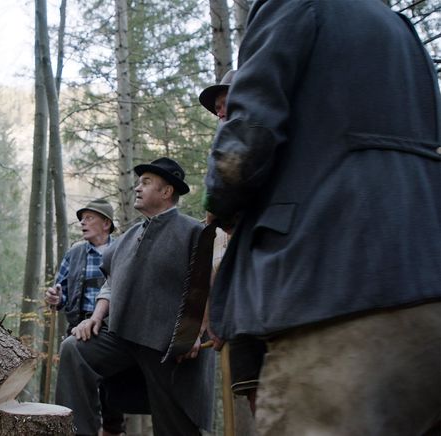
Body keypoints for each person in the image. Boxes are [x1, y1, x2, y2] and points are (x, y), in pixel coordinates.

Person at [204, 1, 441, 435]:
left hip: (332, 288)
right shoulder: (400, 28)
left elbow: (246, 141)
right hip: (428, 287)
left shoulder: (294, 5)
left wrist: (218, 201)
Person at [55, 157, 214, 436]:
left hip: (167, 344)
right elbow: (111, 282)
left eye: (146, 182)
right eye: (138, 182)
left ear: (166, 192)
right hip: (122, 336)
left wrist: (197, 331)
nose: (137, 188)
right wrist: (94, 318)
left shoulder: (194, 232)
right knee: (74, 349)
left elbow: (208, 285)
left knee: (176, 426)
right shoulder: (129, 236)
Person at [199, 70, 266, 414]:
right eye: (217, 110)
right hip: (239, 285)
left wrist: (216, 209)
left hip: (268, 274)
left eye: (225, 105)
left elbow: (218, 201)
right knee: (251, 382)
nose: (220, 114)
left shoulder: (264, 136)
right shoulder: (224, 151)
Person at [44, 198, 125, 436]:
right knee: (79, 388)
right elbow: (61, 293)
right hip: (80, 328)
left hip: (114, 329)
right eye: (82, 218)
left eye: (90, 218)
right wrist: (55, 297)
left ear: (106, 224)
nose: (82, 222)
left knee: (113, 393)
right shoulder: (75, 253)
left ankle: (113, 430)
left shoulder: (123, 249)